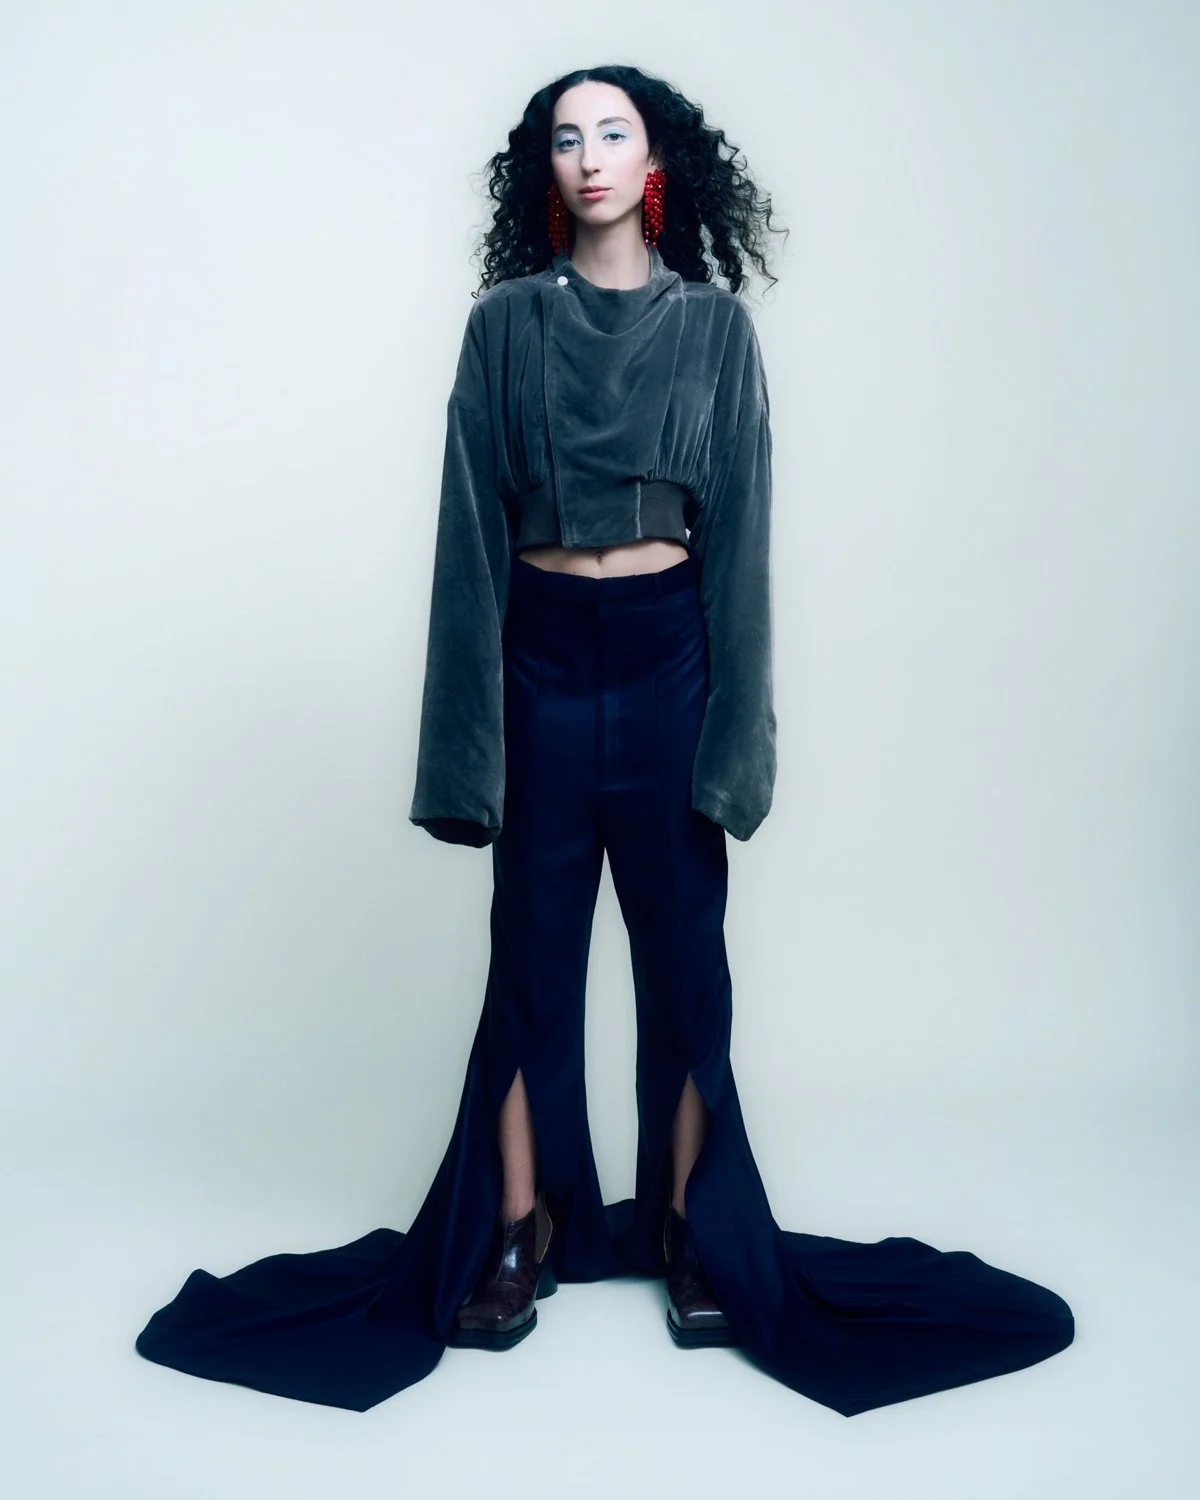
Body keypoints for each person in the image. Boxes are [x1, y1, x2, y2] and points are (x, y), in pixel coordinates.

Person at [135, 64, 1074, 1416]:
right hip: (534, 658)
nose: (587, 157)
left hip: (669, 659)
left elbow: (743, 550)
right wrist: (459, 754)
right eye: (564, 138)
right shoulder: (503, 327)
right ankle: (520, 1230)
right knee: (531, 959)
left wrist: (739, 742)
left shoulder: (715, 331)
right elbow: (465, 543)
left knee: (688, 962)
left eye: (612, 134)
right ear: (549, 171)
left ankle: (693, 1227)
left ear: (657, 166)